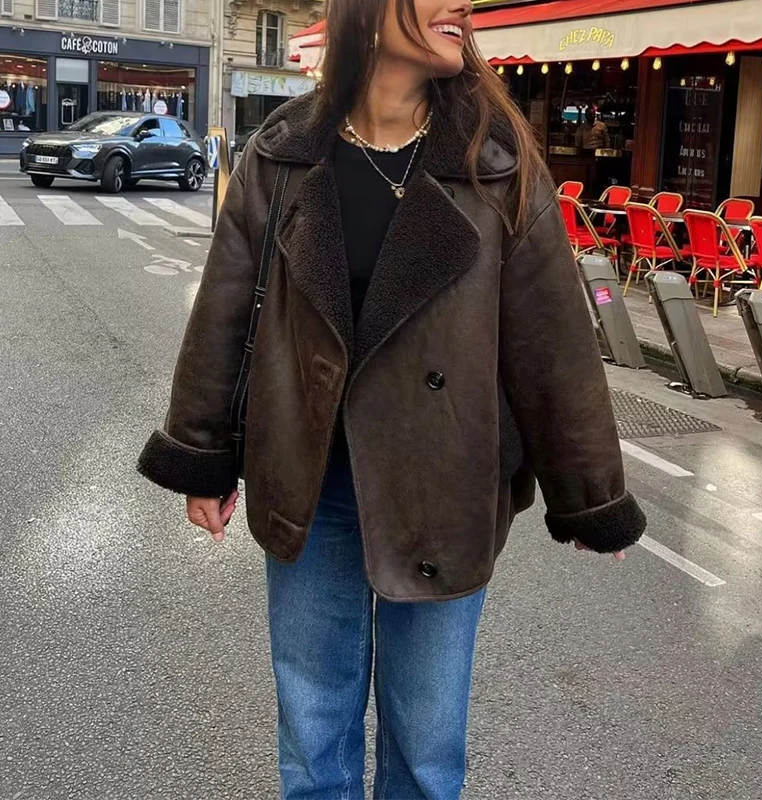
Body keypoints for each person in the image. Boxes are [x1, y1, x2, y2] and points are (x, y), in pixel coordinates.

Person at [137, 0, 646, 797]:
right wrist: (203, 454)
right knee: (313, 740)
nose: (463, 5)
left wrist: (590, 495)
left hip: (444, 484)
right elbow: (227, 311)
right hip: (309, 478)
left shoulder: (496, 164)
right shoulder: (284, 154)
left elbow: (553, 344)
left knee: (426, 749)